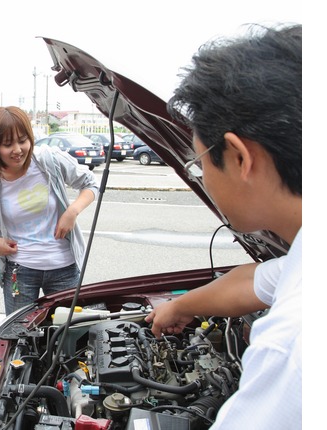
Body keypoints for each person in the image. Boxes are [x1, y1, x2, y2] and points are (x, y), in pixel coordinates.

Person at [144, 24, 302, 429]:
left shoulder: (294, 345)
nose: (202, 177)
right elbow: (260, 279)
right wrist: (179, 305)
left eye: (198, 164)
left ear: (238, 157)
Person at [0, 106, 99, 315]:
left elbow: (90, 183)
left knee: (68, 336)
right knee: (20, 339)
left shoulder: (49, 161)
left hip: (64, 268)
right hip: (20, 271)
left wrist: (72, 211)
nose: (17, 150)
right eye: (7, 144)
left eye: (23, 141)